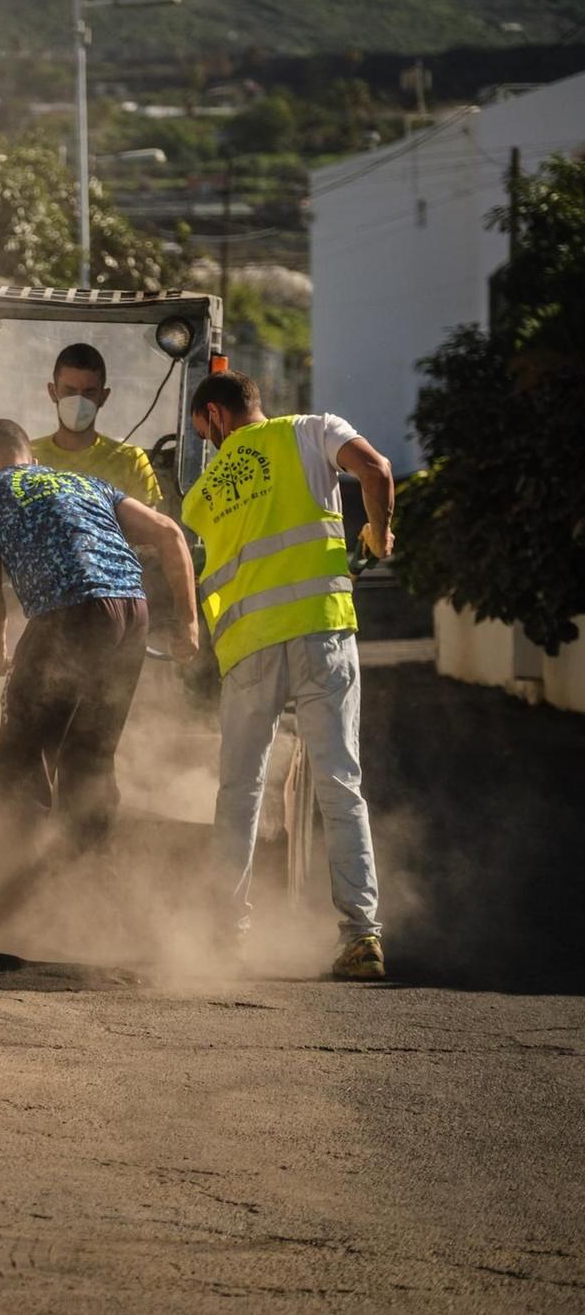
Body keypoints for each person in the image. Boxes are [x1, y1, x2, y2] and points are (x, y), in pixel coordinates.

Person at [181, 369, 395, 980]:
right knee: (339, 785)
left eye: (205, 433)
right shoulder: (311, 431)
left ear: (216, 417)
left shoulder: (201, 496)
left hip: (248, 649)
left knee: (240, 792)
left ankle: (225, 937)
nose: (209, 444)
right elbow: (376, 471)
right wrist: (379, 535)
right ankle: (360, 936)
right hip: (321, 632)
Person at [0, 419, 200, 848]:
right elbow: (169, 534)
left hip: (71, 612)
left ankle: (10, 892)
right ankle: (87, 886)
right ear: (30, 458)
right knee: (89, 759)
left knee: (21, 759)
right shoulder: (84, 484)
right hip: (132, 612)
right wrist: (189, 624)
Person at [31, 342, 165, 508]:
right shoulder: (26, 457)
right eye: (69, 391)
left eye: (89, 392)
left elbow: (149, 529)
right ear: (53, 392)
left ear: (103, 396)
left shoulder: (131, 461)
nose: (79, 400)